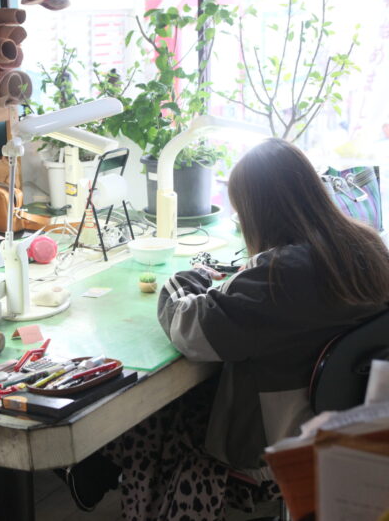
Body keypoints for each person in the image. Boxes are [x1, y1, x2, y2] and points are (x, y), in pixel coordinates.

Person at [66, 138, 389, 519]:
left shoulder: (276, 277)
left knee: (167, 414)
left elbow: (191, 330)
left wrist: (185, 281)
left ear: (256, 212)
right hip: (358, 427)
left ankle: (102, 468)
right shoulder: (369, 247)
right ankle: (99, 468)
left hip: (284, 441)